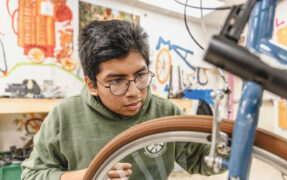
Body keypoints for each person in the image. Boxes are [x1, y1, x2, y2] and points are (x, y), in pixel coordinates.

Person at [21, 20, 216, 180]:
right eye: (117, 81)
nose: (134, 92)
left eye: (141, 76)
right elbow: (31, 175)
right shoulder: (65, 116)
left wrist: (232, 148)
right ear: (92, 85)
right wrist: (86, 176)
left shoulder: (165, 113)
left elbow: (202, 161)